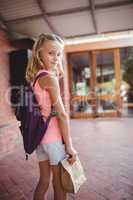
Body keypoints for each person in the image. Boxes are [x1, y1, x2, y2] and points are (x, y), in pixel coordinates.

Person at [25, 33, 77, 200]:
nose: (56, 58)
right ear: (39, 53)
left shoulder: (35, 78)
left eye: (59, 53)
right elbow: (61, 114)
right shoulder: (49, 77)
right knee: (59, 185)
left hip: (41, 139)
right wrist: (69, 146)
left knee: (44, 181)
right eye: (51, 53)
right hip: (53, 139)